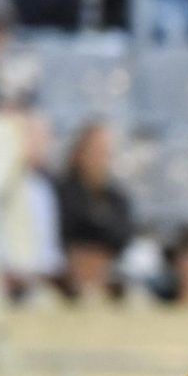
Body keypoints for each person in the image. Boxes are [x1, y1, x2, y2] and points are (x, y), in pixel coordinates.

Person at [53, 121, 137, 302]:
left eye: (104, 153)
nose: (99, 159)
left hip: (105, 278)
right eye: (94, 151)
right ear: (79, 152)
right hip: (68, 281)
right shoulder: (60, 192)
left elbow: (122, 236)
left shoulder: (117, 198)